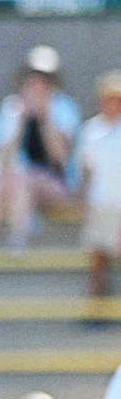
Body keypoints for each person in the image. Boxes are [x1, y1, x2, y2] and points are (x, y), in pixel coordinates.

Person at [0, 46, 80, 255]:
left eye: (45, 78)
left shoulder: (65, 108)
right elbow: (3, 159)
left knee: (21, 178)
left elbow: (60, 158)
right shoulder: (12, 107)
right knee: (11, 180)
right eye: (34, 77)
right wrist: (21, 121)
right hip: (15, 183)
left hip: (56, 184)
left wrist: (45, 118)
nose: (39, 84)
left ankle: (16, 238)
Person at [72, 72, 121, 299]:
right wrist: (82, 199)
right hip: (100, 203)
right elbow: (85, 169)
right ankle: (96, 305)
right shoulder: (91, 131)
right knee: (99, 256)